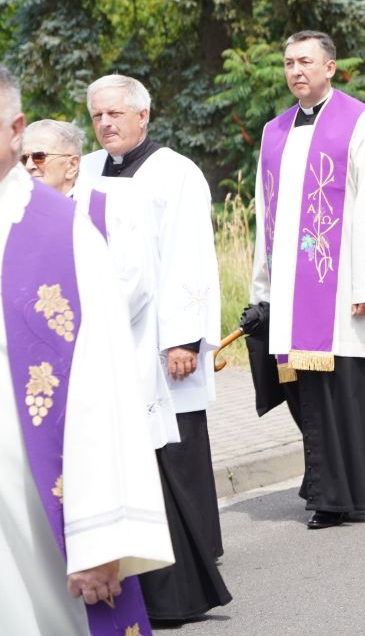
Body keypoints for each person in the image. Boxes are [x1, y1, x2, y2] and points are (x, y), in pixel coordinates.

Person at [0, 68, 174, 635]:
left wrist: (102, 538)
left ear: (15, 129)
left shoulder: (63, 234)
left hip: (32, 509)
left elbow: (103, 388)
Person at [76, 73, 229, 621]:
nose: (106, 124)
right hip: (108, 336)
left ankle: (196, 562)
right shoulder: (86, 171)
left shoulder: (175, 172)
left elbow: (191, 257)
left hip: (162, 341)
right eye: (97, 116)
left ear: (143, 116)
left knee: (176, 449)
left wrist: (183, 339)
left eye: (116, 114)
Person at [248, 30, 365, 529]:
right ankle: (340, 484)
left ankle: (338, 494)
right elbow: (265, 214)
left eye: (306, 62)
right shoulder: (274, 131)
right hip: (294, 293)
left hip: (343, 289)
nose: (296, 71)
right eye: (289, 62)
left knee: (346, 390)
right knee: (307, 392)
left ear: (330, 68)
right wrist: (263, 289)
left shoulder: (361, 124)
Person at [22, 119, 177, 451]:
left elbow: (135, 284)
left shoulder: (111, 207)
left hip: (105, 356)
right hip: (40, 365)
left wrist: (78, 331)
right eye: (22, 159)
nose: (29, 167)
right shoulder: (19, 217)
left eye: (38, 156)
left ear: (72, 164)